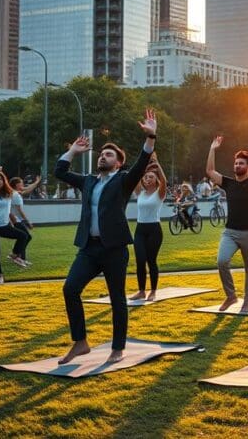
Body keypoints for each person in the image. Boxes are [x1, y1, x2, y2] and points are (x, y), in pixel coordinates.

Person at [54, 108, 156, 365]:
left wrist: (151, 136)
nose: (103, 156)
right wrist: (73, 151)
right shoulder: (88, 181)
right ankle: (80, 343)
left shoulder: (123, 180)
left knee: (116, 298)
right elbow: (60, 171)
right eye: (101, 154)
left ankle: (117, 347)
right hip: (89, 248)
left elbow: (142, 162)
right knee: (70, 289)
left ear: (118, 162)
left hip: (114, 250)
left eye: (109, 154)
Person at [206, 127, 248, 313]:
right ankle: (231, 296)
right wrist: (212, 148)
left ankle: (247, 302)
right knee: (222, 261)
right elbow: (210, 171)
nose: (237, 166)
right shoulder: (228, 183)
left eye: (241, 163)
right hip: (230, 232)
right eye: (236, 163)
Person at [0, 168, 31, 283]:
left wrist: (36, 183)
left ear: (4, 181)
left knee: (23, 236)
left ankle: (14, 255)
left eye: (0, 179)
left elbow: (24, 190)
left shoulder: (9, 193)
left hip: (4, 227)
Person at [131, 157, 168, 301]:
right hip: (140, 229)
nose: (147, 178)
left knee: (151, 261)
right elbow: (135, 178)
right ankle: (141, 291)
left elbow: (164, 181)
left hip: (154, 230)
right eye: (146, 177)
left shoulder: (160, 193)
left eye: (151, 177)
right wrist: (143, 168)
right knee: (140, 260)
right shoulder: (140, 192)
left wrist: (158, 165)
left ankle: (153, 291)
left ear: (156, 179)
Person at [10, 175, 41, 264]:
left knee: (25, 237)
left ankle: (21, 257)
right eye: (21, 183)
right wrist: (28, 222)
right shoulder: (15, 195)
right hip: (16, 220)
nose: (23, 184)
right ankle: (15, 254)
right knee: (26, 237)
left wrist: (36, 182)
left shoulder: (15, 193)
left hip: (17, 220)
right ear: (16, 185)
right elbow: (20, 211)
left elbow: (27, 189)